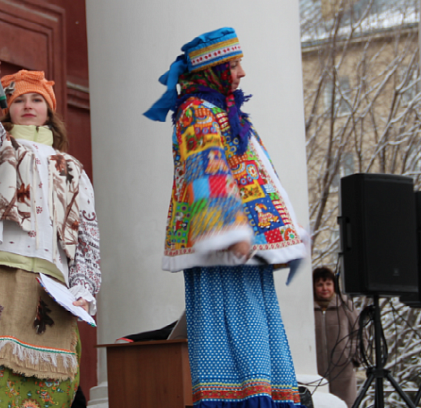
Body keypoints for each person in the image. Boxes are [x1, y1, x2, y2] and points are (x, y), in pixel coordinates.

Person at [145, 27, 309, 407]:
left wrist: (280, 230)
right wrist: (228, 229)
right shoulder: (197, 111)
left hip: (244, 245)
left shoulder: (221, 110)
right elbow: (206, 167)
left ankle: (263, 397)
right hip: (225, 246)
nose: (242, 73)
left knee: (259, 340)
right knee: (238, 345)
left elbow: (257, 175)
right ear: (213, 70)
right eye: (234, 64)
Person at [0, 55, 101, 405]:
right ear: (7, 109)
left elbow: (87, 239)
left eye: (37, 99)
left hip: (51, 289)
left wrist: (83, 290)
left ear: (50, 110)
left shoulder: (73, 169)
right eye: (19, 100)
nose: (28, 106)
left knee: (49, 386)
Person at [313, 266, 359, 405]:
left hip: (343, 374)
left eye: (328, 284)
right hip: (317, 374)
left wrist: (350, 354)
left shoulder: (345, 306)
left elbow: (360, 333)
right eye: (320, 284)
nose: (324, 288)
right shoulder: (307, 308)